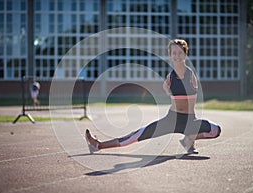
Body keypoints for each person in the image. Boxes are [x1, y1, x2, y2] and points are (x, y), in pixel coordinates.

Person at [85, 39, 221, 154]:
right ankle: (98, 145)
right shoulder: (171, 76)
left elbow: (193, 94)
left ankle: (189, 139)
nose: (177, 56)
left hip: (190, 121)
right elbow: (165, 86)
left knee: (215, 130)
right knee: (135, 136)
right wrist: (168, 91)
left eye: (180, 53)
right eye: (174, 53)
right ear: (170, 55)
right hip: (171, 119)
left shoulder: (190, 74)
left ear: (185, 55)